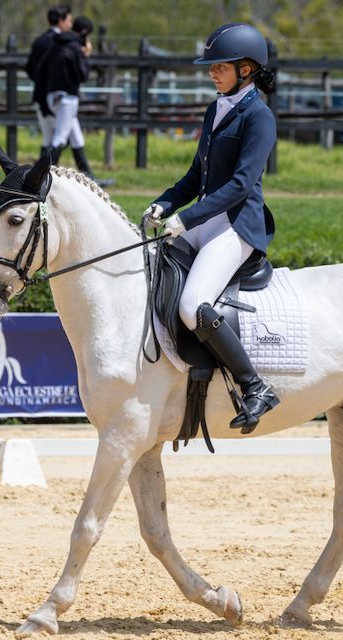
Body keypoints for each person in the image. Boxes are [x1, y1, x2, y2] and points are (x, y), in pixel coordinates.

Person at [145, 23, 279, 433]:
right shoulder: (216, 106)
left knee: (191, 305)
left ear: (246, 69)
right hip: (206, 220)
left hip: (236, 227)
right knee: (150, 271)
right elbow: (195, 176)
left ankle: (255, 386)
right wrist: (165, 202)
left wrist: (185, 218)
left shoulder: (259, 117)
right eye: (211, 66)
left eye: (219, 66)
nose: (211, 72)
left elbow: (241, 185)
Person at [44, 16, 113, 187]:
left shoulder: (57, 42)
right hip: (67, 98)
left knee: (76, 139)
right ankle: (41, 175)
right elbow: (83, 75)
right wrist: (85, 56)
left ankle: (90, 180)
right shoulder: (74, 46)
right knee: (59, 139)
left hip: (53, 94)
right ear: (84, 33)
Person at [25, 4, 72, 159]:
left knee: (50, 138)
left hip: (39, 94)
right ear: (61, 20)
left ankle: (42, 176)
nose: (70, 24)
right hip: (55, 96)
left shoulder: (39, 41)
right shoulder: (60, 42)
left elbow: (29, 68)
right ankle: (42, 176)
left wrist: (39, 83)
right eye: (68, 20)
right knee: (61, 138)